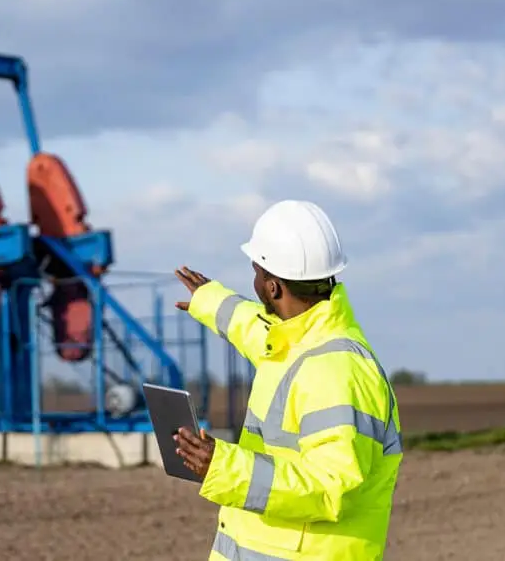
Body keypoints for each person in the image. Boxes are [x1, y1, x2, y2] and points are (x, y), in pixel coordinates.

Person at [172, 199, 402, 561]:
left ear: (274, 287)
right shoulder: (298, 342)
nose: (254, 283)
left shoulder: (336, 371)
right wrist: (211, 302)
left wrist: (222, 466)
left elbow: (332, 486)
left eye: (256, 273)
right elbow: (259, 331)